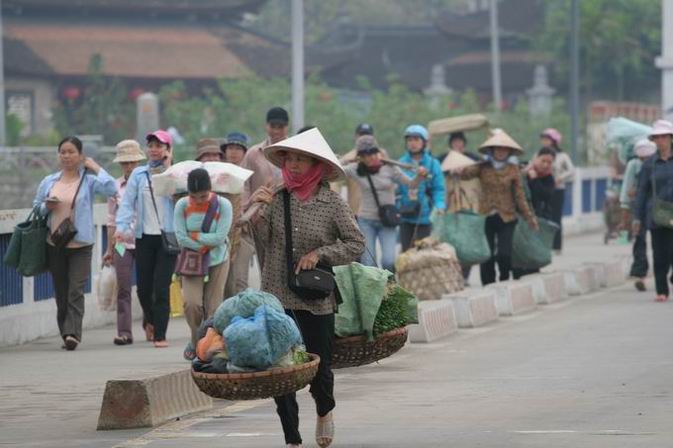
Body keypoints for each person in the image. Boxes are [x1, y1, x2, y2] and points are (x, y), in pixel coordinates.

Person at [249, 128, 365, 448]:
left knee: (319, 368)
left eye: (302, 159)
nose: (295, 164)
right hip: (276, 294)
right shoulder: (276, 197)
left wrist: (321, 254)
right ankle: (292, 437)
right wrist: (255, 212)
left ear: (316, 164)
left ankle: (324, 411)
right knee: (281, 370)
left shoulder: (331, 202)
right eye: (290, 158)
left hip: (315, 298)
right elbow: (259, 242)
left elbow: (356, 243)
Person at [33, 136, 117, 350]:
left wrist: (95, 166)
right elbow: (36, 207)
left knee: (75, 290)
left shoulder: (88, 181)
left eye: (71, 152)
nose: (67, 156)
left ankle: (73, 333)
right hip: (55, 243)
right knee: (61, 291)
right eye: (63, 152)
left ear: (80, 155)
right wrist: (47, 207)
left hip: (81, 244)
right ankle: (65, 331)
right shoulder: (49, 181)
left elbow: (111, 188)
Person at [116, 130, 177, 348]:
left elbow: (179, 200)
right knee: (143, 288)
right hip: (144, 237)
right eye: (150, 145)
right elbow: (127, 204)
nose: (154, 150)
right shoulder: (138, 175)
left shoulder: (175, 174)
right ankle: (150, 320)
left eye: (159, 146)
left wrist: (168, 170)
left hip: (167, 238)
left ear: (167, 150)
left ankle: (160, 334)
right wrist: (121, 227)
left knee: (161, 287)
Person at [456, 130, 538, 285]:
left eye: (504, 149)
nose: (500, 152)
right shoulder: (482, 166)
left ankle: (505, 280)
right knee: (487, 255)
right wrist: (459, 169)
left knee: (504, 254)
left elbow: (520, 196)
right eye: (497, 149)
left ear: (509, 151)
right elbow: (466, 174)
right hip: (486, 216)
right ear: (491, 150)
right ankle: (489, 284)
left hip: (507, 216)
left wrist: (529, 217)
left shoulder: (514, 169)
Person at [343, 135, 427, 271]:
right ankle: (373, 290)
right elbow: (334, 171)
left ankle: (390, 287)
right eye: (366, 154)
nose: (371, 157)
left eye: (373, 152)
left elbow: (411, 184)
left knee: (388, 261)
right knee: (368, 263)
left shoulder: (390, 168)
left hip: (387, 221)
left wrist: (420, 176)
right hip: (366, 221)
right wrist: (346, 159)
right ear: (361, 157)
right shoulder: (355, 169)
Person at [174, 168, 233, 360]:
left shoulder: (223, 205)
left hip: (218, 258)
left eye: (203, 196)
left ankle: (210, 346)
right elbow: (181, 238)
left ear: (210, 189)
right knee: (192, 304)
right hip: (192, 260)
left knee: (213, 306)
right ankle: (195, 339)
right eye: (194, 196)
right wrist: (200, 244)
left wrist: (195, 236)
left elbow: (219, 238)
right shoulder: (181, 205)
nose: (199, 200)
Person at [103, 139, 146, 346]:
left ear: (138, 162)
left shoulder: (149, 184)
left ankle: (152, 324)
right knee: (123, 286)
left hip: (145, 239)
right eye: (125, 163)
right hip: (121, 243)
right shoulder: (115, 187)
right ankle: (124, 332)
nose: (129, 166)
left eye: (132, 162)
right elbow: (111, 219)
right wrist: (108, 248)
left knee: (148, 287)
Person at [633, 120, 673, 302]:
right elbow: (641, 191)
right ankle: (661, 290)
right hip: (657, 215)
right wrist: (636, 218)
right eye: (657, 137)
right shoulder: (649, 165)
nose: (661, 140)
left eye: (664, 136)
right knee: (660, 254)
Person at [397, 124, 446, 251]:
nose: (413, 143)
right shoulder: (400, 163)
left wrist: (440, 205)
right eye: (410, 140)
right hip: (406, 215)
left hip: (425, 216)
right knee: (406, 254)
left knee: (423, 254)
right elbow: (396, 189)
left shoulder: (433, 164)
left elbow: (438, 188)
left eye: (416, 139)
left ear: (424, 142)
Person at [513, 147, 556, 279]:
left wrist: (535, 180)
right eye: (543, 161)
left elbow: (543, 196)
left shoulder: (548, 179)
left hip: (536, 221)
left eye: (549, 162)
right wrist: (525, 174)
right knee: (518, 252)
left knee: (533, 254)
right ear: (536, 157)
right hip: (519, 219)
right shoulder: (522, 168)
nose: (546, 165)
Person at [221, 132, 254, 299]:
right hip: (222, 234)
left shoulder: (250, 175)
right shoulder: (219, 174)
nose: (233, 152)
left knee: (240, 280)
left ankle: (242, 319)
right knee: (225, 281)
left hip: (244, 233)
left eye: (238, 148)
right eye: (230, 148)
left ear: (244, 151)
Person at [621, 139, 657, 292]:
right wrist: (625, 208)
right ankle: (640, 274)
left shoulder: (661, 163)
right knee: (640, 240)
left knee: (663, 242)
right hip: (640, 207)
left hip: (659, 207)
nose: (645, 161)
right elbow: (626, 188)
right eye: (642, 158)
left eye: (647, 157)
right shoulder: (634, 165)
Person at [540, 128, 575, 253]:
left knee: (556, 217)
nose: (544, 142)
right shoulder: (540, 155)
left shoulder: (562, 156)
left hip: (558, 189)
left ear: (554, 141)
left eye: (546, 139)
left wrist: (561, 178)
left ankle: (557, 245)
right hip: (543, 189)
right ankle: (545, 243)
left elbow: (571, 170)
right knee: (544, 216)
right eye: (543, 139)